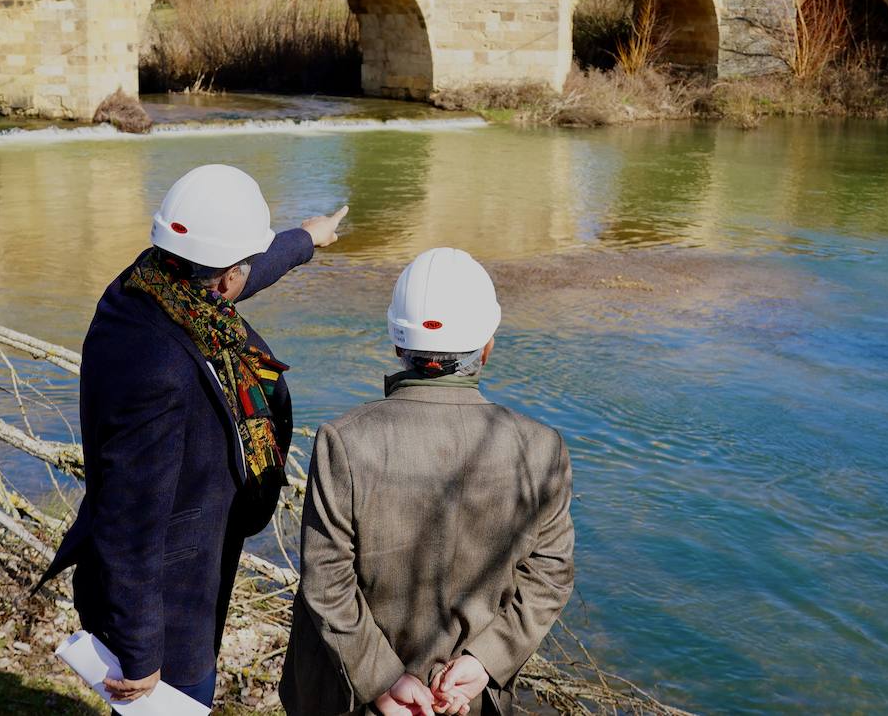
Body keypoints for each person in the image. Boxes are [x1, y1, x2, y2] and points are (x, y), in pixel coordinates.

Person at [37, 164, 347, 707]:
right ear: (225, 279)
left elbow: (242, 266)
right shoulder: (158, 367)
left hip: (184, 567)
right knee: (184, 699)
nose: (245, 276)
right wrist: (140, 652)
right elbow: (128, 512)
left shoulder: (153, 280)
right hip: (168, 600)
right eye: (242, 268)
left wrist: (306, 239)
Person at [280, 248, 575, 716]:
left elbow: (326, 581)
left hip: (350, 694)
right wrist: (485, 661)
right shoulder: (541, 448)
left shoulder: (345, 441)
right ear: (487, 346)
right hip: (467, 698)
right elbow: (550, 574)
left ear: (398, 344)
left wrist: (382, 680)